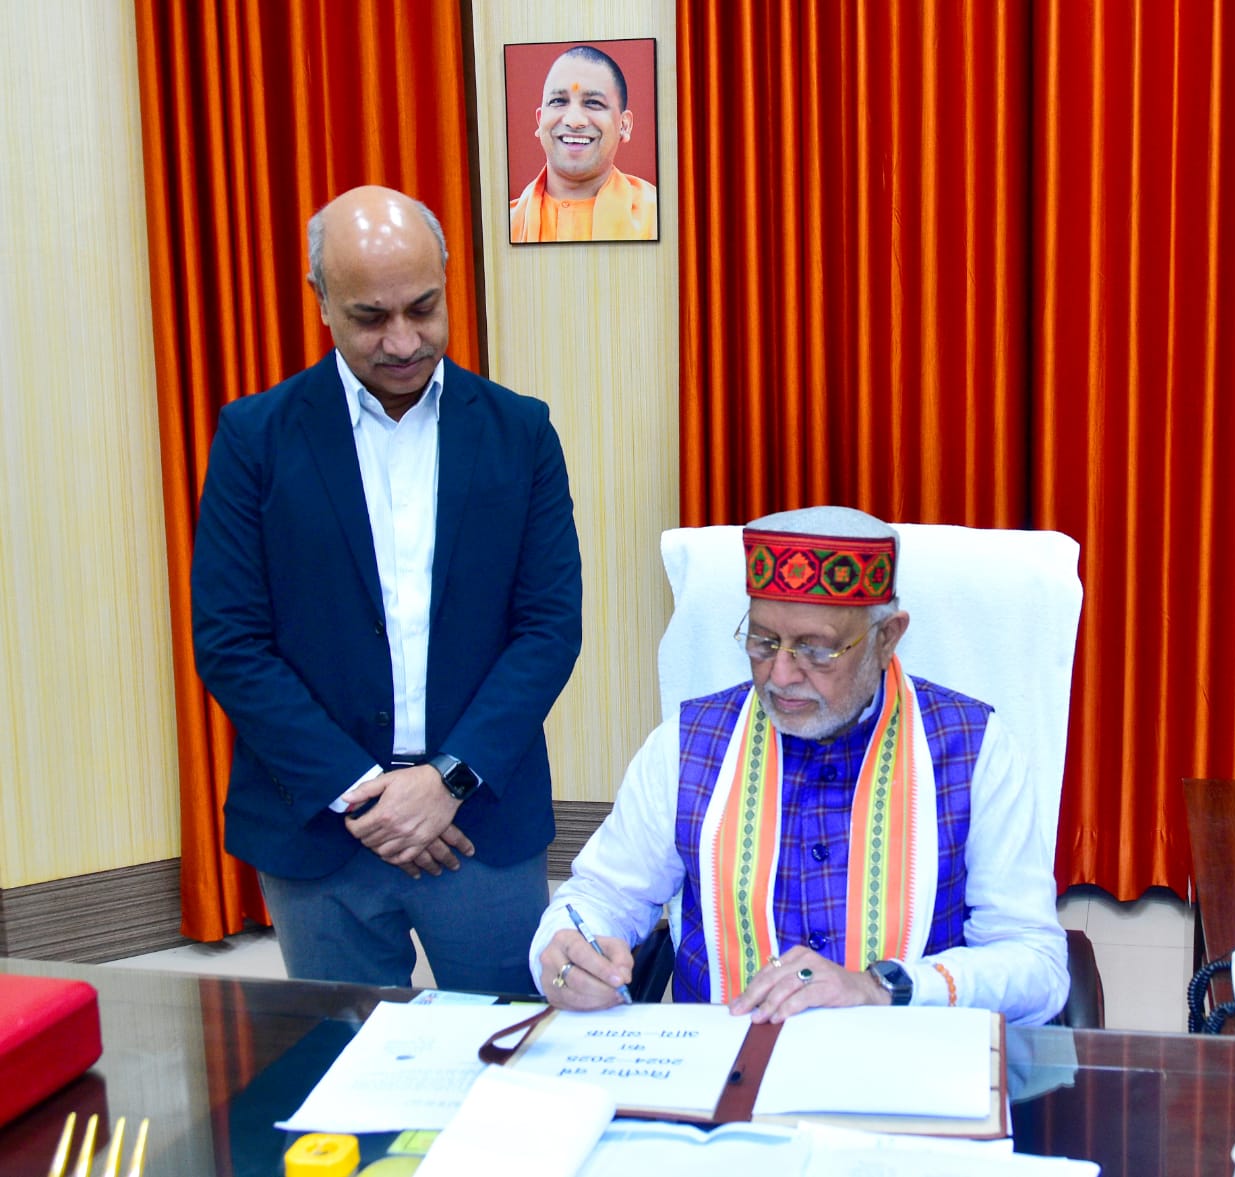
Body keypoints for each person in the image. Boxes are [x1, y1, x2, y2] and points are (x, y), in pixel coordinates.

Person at [191, 185, 583, 992]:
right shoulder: (255, 438)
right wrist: (364, 794)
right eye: (371, 317)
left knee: (508, 1042)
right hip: (319, 827)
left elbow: (548, 627)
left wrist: (449, 779)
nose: (403, 340)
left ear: (446, 281)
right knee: (344, 1051)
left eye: (423, 308)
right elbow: (231, 642)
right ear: (321, 301)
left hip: (479, 821)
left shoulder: (520, 433)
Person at [530, 506, 1070, 1026]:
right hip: (721, 1071)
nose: (781, 675)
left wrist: (882, 987)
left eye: (815, 650)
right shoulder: (686, 745)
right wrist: (565, 952)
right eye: (764, 642)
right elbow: (600, 897)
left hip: (908, 1071)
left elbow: (1036, 963)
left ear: (886, 638)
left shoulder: (973, 749)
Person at [510, 45, 659, 242]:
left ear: (624, 125)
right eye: (558, 101)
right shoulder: (501, 228)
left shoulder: (661, 218)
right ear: (540, 120)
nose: (574, 120)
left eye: (593, 103)